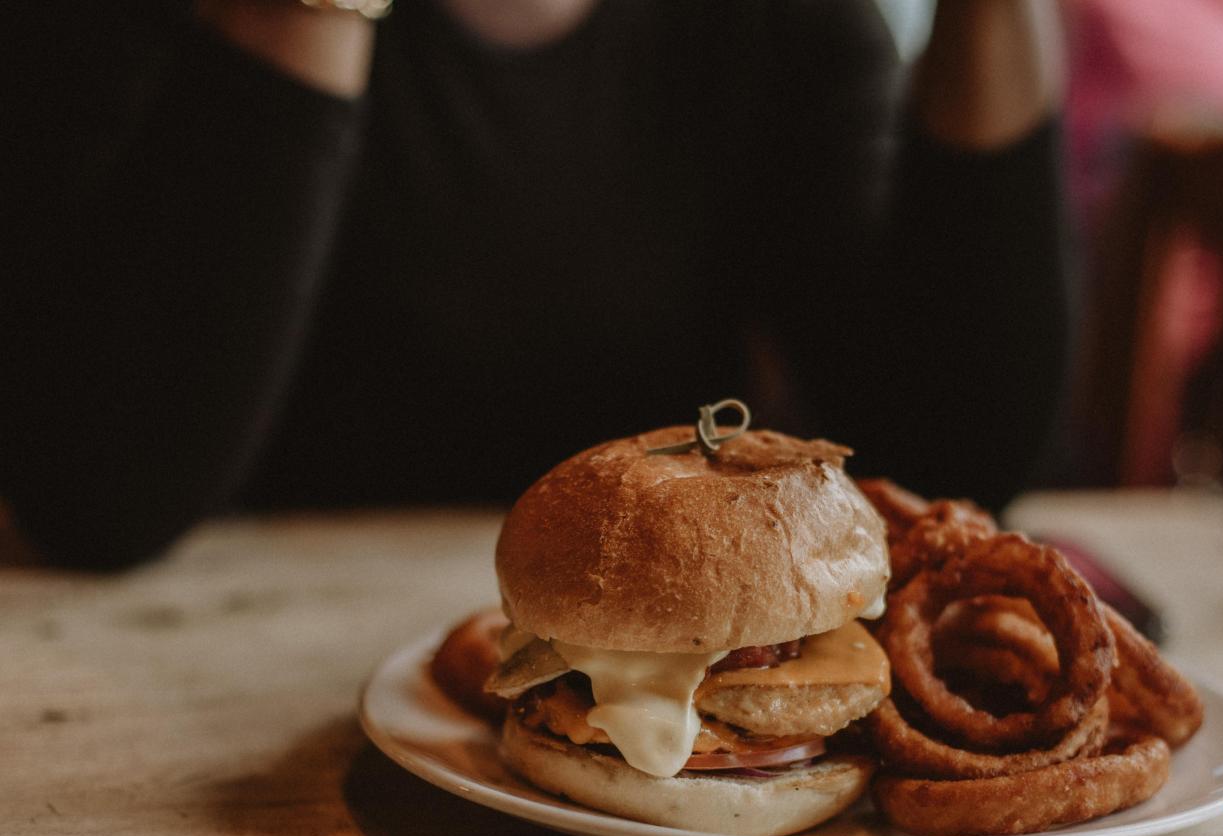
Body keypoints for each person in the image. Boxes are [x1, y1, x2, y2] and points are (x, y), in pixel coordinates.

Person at [0, 0, 1070, 570]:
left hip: (646, 757)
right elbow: (97, 501)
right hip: (191, 737)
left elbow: (955, 462)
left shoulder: (778, 25)